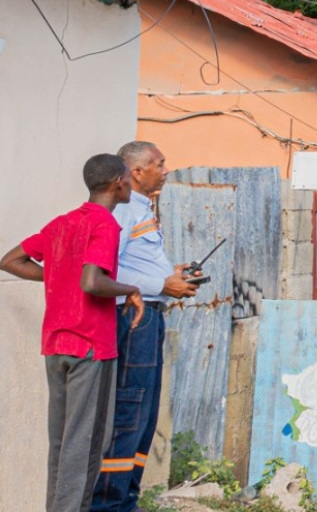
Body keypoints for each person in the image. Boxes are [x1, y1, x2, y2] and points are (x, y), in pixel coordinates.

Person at [1, 154, 144, 512]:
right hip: (90, 348)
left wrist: (55, 276)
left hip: (56, 346)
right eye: (128, 177)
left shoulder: (62, 223)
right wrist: (130, 289)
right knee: (86, 444)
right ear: (117, 183)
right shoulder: (105, 225)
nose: (130, 183)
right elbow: (92, 282)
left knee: (63, 444)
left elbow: (10, 260)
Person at [94, 142, 197, 512]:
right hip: (131, 317)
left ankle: (127, 500)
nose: (166, 170)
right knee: (129, 410)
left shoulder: (141, 209)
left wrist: (171, 276)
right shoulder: (121, 213)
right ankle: (108, 504)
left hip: (149, 315)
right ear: (136, 172)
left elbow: (135, 264)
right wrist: (159, 285)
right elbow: (105, 270)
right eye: (159, 163)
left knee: (145, 416)